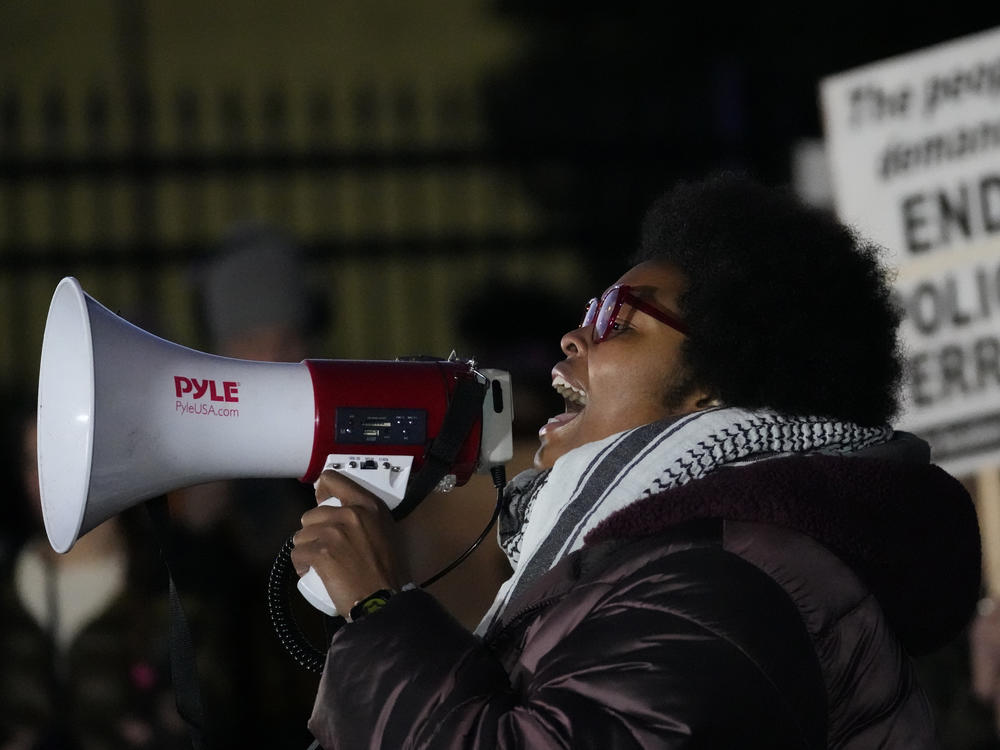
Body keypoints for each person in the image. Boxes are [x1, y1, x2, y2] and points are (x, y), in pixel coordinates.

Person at [291, 172, 982, 748]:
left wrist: (378, 611)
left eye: (617, 319)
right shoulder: (677, 564)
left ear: (719, 377)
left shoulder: (721, 588)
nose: (573, 336)